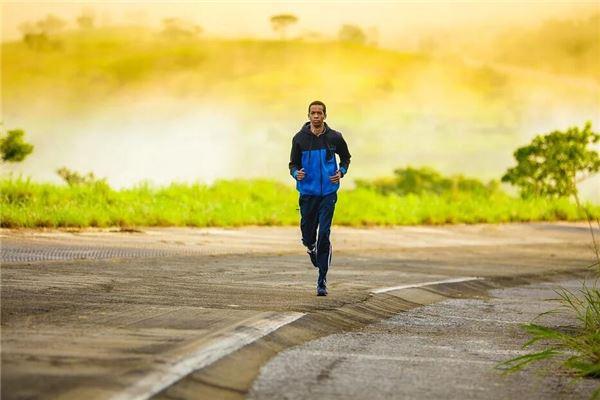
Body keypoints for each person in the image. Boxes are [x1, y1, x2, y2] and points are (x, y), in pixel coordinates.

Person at [288, 100, 351, 296]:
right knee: (308, 233)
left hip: (328, 193)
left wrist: (341, 172)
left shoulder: (335, 137)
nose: (316, 116)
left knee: (324, 233)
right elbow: (292, 164)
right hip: (307, 193)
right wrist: (295, 173)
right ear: (308, 116)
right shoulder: (299, 139)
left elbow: (346, 158)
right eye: (313, 113)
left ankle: (322, 279)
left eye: (319, 113)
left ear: (325, 115)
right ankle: (310, 246)